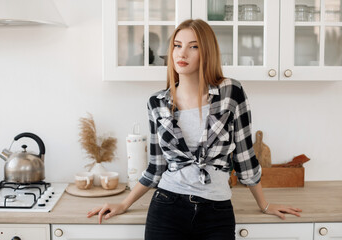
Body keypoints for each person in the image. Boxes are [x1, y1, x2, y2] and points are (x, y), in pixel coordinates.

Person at [87, 19, 302, 239]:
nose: (183, 53)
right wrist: (123, 204)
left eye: (194, 46)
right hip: (166, 207)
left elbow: (244, 158)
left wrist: (264, 205)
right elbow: (155, 168)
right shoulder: (157, 102)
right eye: (177, 45)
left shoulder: (231, 93)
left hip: (217, 212)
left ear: (206, 52)